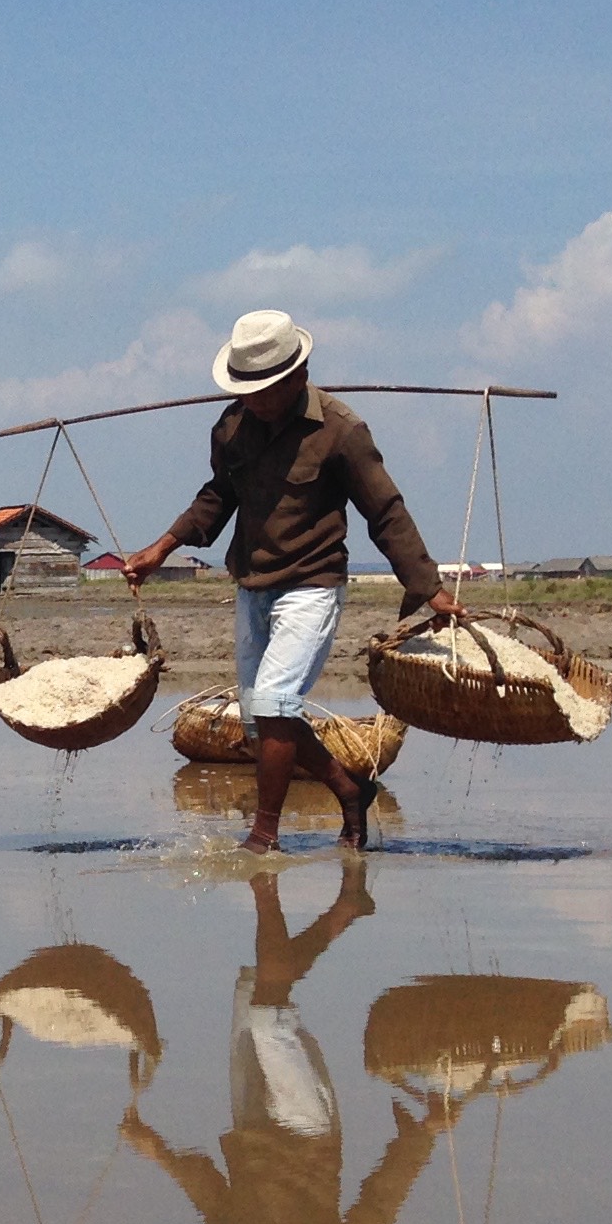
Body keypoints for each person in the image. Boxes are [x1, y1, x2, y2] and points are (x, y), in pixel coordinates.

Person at [120, 310, 455, 851]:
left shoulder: (341, 431)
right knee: (260, 721)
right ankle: (349, 790)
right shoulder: (232, 428)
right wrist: (162, 548)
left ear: (296, 378)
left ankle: (263, 835)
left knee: (275, 703)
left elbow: (385, 511)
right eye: (244, 389)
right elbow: (217, 497)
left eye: (262, 390)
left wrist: (427, 586)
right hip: (253, 583)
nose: (251, 400)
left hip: (312, 582)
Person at [124, 860, 438, 1224]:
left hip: (250, 1131)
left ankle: (325, 904)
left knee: (253, 986)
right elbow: (378, 1206)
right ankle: (287, 893)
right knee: (269, 1016)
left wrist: (157, 1152)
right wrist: (422, 1137)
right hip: (307, 1131)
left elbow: (213, 1199)